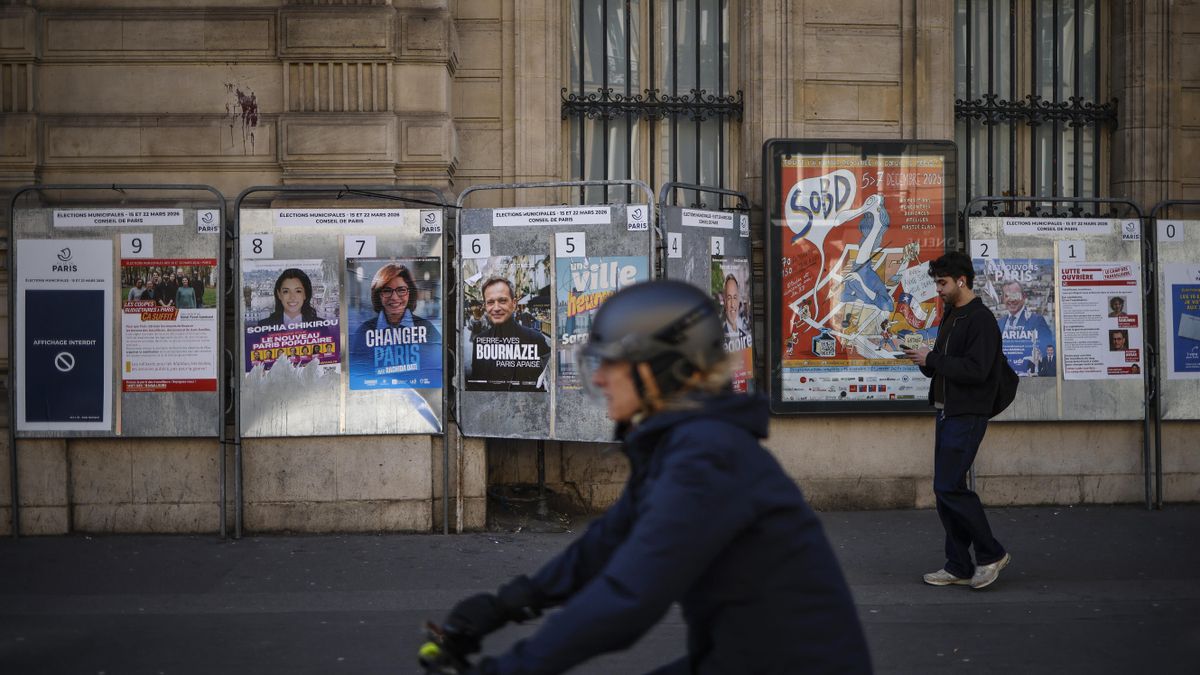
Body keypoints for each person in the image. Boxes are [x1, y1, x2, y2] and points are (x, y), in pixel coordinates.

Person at [434, 281, 873, 674]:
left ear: (663, 369)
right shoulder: (684, 443)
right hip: (742, 656)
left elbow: (628, 596)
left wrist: (514, 668)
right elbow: (606, 542)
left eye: (613, 364)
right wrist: (507, 603)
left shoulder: (708, 456)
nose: (601, 378)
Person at [903, 251, 1011, 590]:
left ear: (961, 281)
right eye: (937, 282)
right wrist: (923, 357)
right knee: (947, 489)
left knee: (947, 487)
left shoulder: (980, 319)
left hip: (967, 413)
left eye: (942, 282)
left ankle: (991, 554)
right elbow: (945, 363)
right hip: (946, 411)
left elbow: (977, 370)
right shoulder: (953, 314)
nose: (938, 289)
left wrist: (934, 357)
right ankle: (958, 565)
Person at [465, 277, 550, 391]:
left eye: (502, 301)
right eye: (490, 302)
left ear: (514, 303)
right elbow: (478, 385)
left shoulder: (535, 339)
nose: (496, 308)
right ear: (485, 306)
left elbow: (546, 383)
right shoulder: (480, 341)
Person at [351, 263, 440, 366]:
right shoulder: (364, 331)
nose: (394, 297)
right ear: (379, 295)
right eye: (387, 290)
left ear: (410, 293)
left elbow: (435, 368)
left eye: (401, 290)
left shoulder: (426, 329)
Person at [997, 279, 1053, 371]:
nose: (1012, 300)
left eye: (1016, 295)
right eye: (1007, 296)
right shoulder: (1000, 323)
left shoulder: (1037, 321)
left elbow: (1047, 351)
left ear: (1024, 297)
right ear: (1003, 299)